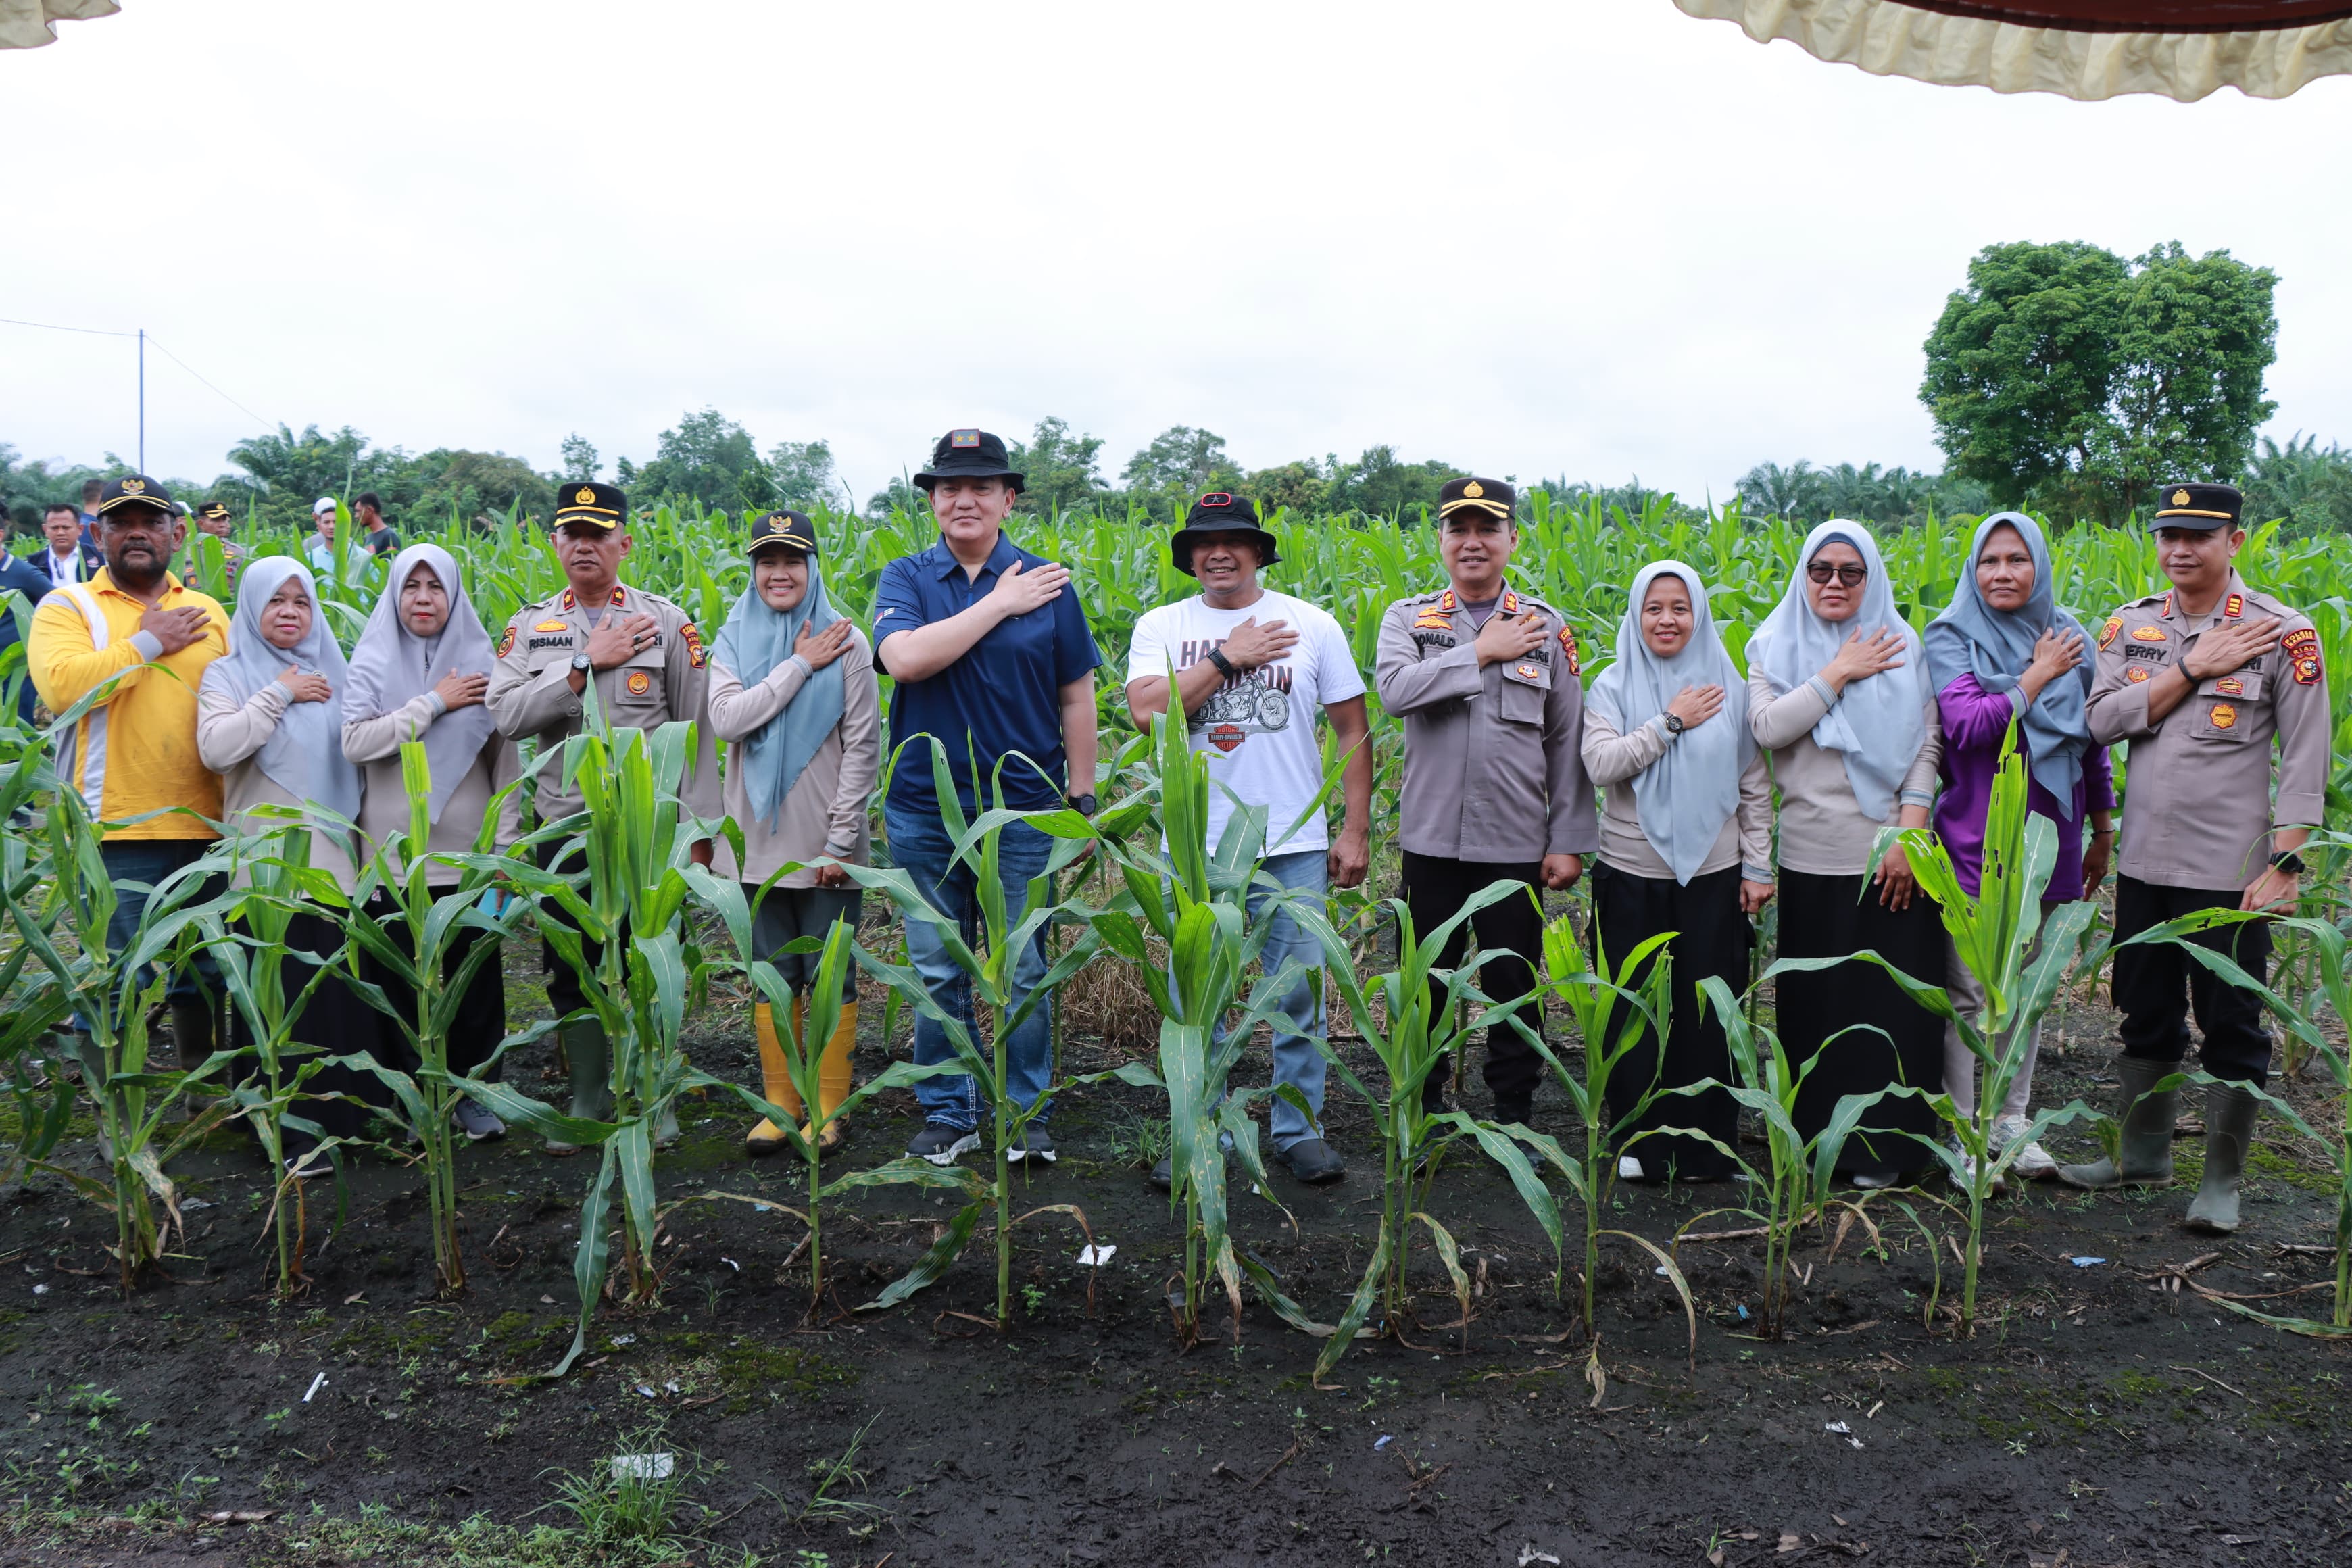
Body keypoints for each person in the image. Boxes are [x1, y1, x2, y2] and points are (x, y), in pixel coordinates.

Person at [2063, 483, 2328, 1233]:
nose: (2180, 550)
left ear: (2234, 542)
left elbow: (2308, 758)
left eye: (2198, 537)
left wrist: (2287, 865)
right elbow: (2098, 721)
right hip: (2146, 864)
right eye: (2168, 535)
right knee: (2143, 1013)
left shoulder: (2284, 632)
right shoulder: (2132, 626)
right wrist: (2190, 668)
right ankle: (2141, 1155)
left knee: (2232, 1022)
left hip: (2232, 874)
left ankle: (2222, 1183)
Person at [871, 428, 1100, 1166]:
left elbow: (1077, 694)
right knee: (941, 963)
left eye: (981, 487)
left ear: (1008, 499)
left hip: (1027, 807)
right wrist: (1000, 603)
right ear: (933, 501)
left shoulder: (1051, 584)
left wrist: (1085, 795)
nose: (963, 499)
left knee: (1025, 962)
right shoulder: (905, 578)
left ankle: (1027, 1108)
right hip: (924, 809)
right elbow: (904, 660)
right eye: (948, 488)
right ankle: (952, 1109)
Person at [1127, 490, 1371, 1187]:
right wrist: (1228, 659)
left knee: (1298, 994)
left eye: (1235, 539)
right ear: (1190, 558)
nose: (1219, 552)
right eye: (1205, 543)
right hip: (1197, 847)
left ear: (1259, 551)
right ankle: (1199, 1131)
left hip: (1293, 839)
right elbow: (1146, 712)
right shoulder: (1163, 625)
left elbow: (1353, 731)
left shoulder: (1311, 624)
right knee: (1197, 997)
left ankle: (1298, 1130)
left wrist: (1354, 830)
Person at [486, 480, 719, 1154]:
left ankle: (654, 1091)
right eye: (572, 533)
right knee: (570, 964)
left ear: (625, 543)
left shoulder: (667, 622)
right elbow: (506, 716)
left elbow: (695, 732)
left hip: (649, 832)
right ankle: (587, 1092)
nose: (584, 544)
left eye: (598, 533)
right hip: (565, 828)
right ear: (555, 543)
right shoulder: (532, 627)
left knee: (652, 957)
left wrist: (701, 832)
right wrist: (586, 665)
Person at [1373, 476, 1596, 1131]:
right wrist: (1480, 652)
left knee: (1513, 987)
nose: (1473, 542)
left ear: (1511, 540)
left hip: (1516, 842)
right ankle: (1425, 1103)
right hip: (1432, 841)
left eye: (1487, 529)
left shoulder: (1546, 628)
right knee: (1428, 983)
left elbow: (1566, 738)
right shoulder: (1410, 619)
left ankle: (1514, 1115)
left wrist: (1567, 839)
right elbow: (1393, 691)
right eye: (1459, 529)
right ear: (1441, 540)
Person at [1747, 521, 1944, 1185]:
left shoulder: (1900, 642)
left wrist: (1909, 836)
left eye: (1850, 573)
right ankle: (1818, 1146)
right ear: (1803, 574)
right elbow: (1769, 728)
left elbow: (1927, 742)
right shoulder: (1772, 645)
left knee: (1888, 1009)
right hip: (1810, 857)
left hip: (1891, 858)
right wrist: (1837, 672)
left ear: (1871, 579)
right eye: (1821, 570)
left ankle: (1888, 1150)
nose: (1834, 583)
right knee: (1818, 1009)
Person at [1926, 511, 2114, 1182]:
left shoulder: (2074, 639)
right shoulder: (1951, 636)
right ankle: (1959, 1128)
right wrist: (2034, 677)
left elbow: (2089, 741)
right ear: (1973, 570)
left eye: (2016, 559)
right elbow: (1970, 727)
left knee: (2027, 992)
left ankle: (2012, 1120)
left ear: (2038, 565)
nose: (2002, 573)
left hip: (2051, 842)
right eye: (1989, 561)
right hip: (1975, 843)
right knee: (1970, 992)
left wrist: (2103, 827)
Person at [28, 475, 231, 1079]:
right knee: (117, 975)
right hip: (112, 827)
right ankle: (116, 1107)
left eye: (150, 521)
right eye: (121, 522)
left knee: (206, 970)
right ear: (98, 535)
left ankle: (204, 1087)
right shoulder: (69, 607)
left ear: (178, 532)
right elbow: (64, 688)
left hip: (206, 823)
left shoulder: (211, 612)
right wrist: (150, 641)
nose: (136, 532)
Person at [1580, 561, 1773, 1183]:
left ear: (1699, 616)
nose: (1667, 619)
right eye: (1654, 608)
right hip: (1631, 873)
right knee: (1633, 1009)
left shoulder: (1732, 687)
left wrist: (1759, 865)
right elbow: (1601, 764)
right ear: (1636, 615)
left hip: (1714, 876)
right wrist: (1669, 723)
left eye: (1680, 607)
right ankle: (1638, 1144)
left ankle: (1708, 1147)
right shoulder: (1611, 685)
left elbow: (1754, 785)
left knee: (1706, 1011)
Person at [705, 510, 881, 1157]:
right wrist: (799, 666)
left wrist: (840, 841)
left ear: (812, 568)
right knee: (772, 974)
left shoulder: (849, 641)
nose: (779, 572)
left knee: (830, 975)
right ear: (753, 570)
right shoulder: (729, 642)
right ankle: (781, 1104)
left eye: (792, 560)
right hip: (754, 846)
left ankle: (830, 1106)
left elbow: (863, 747)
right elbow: (728, 720)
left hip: (827, 845)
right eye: (767, 561)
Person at [195, 559, 379, 1164]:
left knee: (331, 993)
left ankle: (343, 1119)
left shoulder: (340, 673)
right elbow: (218, 750)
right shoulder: (226, 675)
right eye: (277, 601)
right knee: (274, 991)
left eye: (302, 601)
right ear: (252, 608)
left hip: (333, 861)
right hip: (265, 867)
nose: (291, 612)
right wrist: (279, 692)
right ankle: (288, 1129)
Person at [343, 543, 524, 1144]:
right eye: (412, 587)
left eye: (436, 587)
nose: (424, 599)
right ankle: (412, 1099)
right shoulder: (368, 664)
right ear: (395, 595)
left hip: (467, 858)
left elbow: (508, 768)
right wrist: (433, 703)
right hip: (390, 858)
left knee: (475, 981)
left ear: (453, 594)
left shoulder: (485, 666)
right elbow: (356, 743)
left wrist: (504, 852)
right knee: (394, 982)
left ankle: (476, 1095)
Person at [0, 533, 53, 726]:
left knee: (19, 729)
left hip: (16, 672)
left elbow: (60, 607)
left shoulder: (24, 573)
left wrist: (39, 655)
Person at [36, 502, 103, 586]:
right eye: (55, 528)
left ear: (80, 529)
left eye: (66, 527)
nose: (60, 533)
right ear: (45, 530)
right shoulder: (34, 563)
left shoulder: (99, 557)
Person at [192, 501, 246, 581]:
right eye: (216, 520)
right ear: (201, 524)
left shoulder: (238, 553)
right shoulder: (190, 553)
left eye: (225, 520)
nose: (223, 525)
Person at [353, 493, 401, 560]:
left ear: (369, 510)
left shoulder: (390, 536)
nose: (356, 516)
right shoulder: (367, 538)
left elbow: (389, 566)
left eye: (358, 511)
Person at [305, 498, 343, 581]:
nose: (331, 527)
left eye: (335, 522)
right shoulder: (310, 556)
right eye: (327, 522)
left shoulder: (357, 554)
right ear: (319, 524)